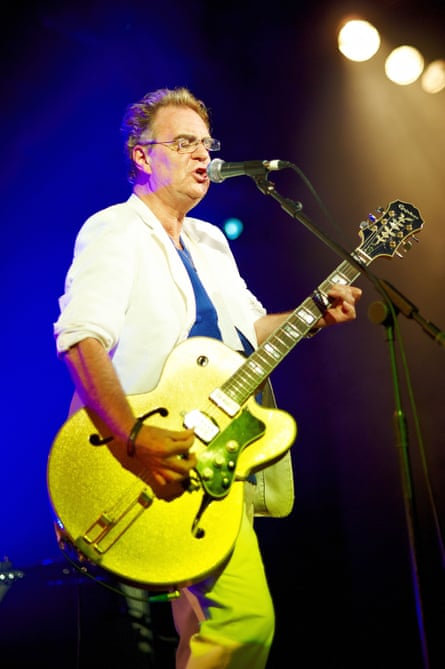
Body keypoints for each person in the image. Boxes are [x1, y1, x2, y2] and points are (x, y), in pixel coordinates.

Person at [53, 86, 362, 668]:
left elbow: (251, 328)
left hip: (216, 455)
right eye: (184, 143)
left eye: (207, 144)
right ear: (142, 156)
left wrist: (313, 313)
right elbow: (80, 339)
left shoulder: (211, 241)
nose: (203, 156)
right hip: (147, 453)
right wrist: (132, 437)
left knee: (201, 634)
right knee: (243, 622)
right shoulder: (114, 231)